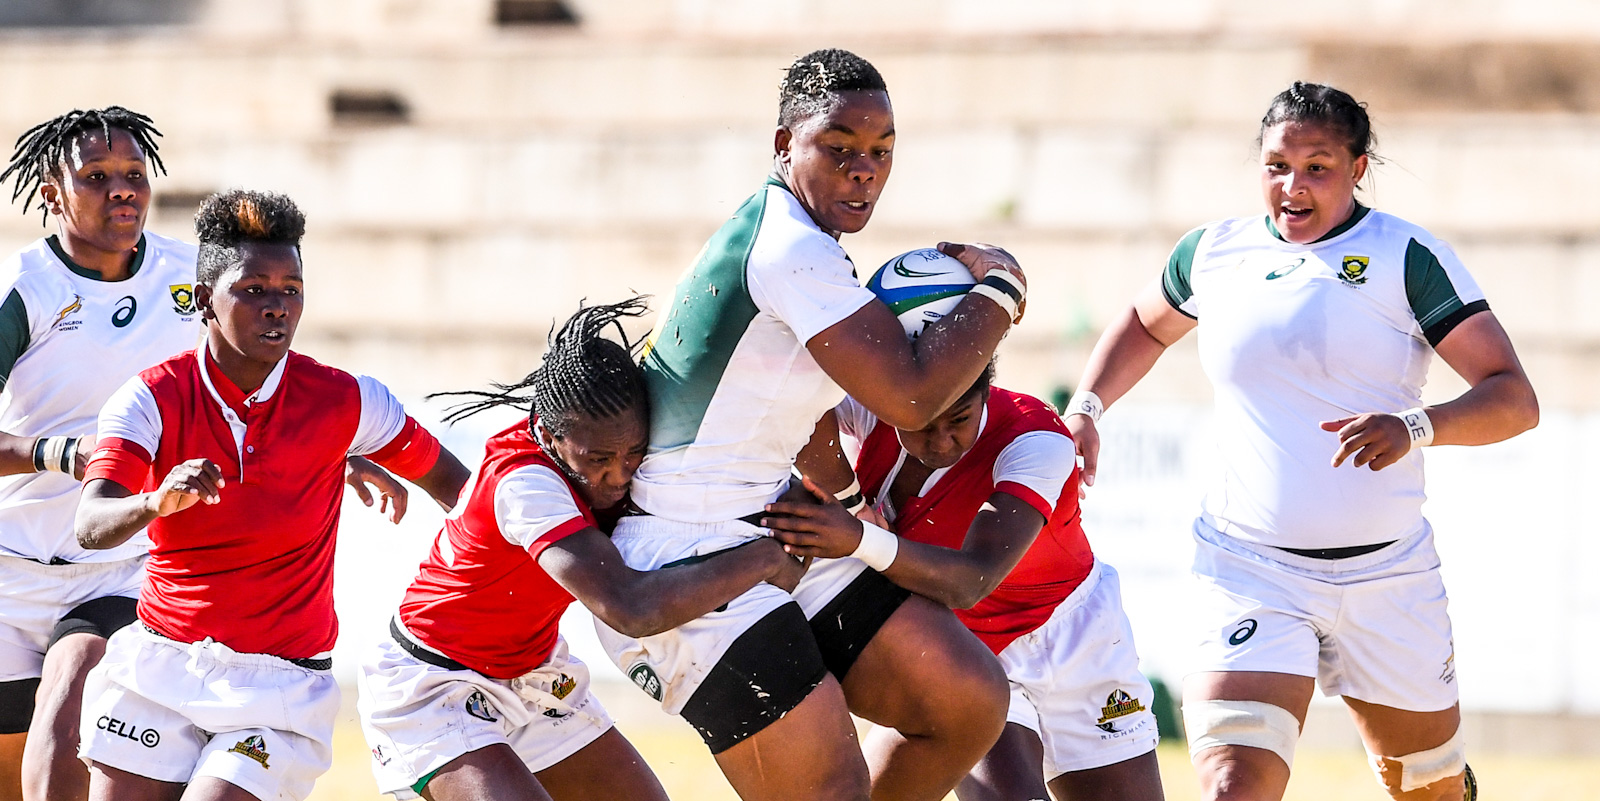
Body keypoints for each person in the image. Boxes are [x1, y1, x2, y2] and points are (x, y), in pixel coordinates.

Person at [1064, 82, 1538, 801]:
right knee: (1233, 783)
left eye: (1318, 167)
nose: (1293, 186)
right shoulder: (1214, 251)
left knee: (1426, 788)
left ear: (1357, 167)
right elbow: (1143, 323)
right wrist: (1088, 407)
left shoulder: (1405, 256)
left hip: (1387, 576)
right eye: (1277, 166)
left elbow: (1514, 398)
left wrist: (1415, 426)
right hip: (1249, 568)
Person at [594, 48, 1030, 801]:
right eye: (839, 148)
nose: (864, 170)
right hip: (684, 552)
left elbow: (808, 409)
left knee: (965, 699)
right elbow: (914, 400)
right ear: (783, 144)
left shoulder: (795, 238)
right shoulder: (791, 250)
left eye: (881, 152)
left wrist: (851, 506)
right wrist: (1004, 285)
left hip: (766, 518)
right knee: (830, 788)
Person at [0, 108, 406, 801]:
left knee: (69, 698)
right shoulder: (25, 289)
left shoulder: (184, 279)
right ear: (51, 194)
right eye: (95, 176)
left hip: (123, 563)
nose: (121, 189)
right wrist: (61, 452)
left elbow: (243, 382)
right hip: (16, 566)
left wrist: (321, 450)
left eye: (134, 174)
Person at [72, 189, 469, 801]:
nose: (277, 306)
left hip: (280, 688)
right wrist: (154, 501)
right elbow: (91, 523)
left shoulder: (348, 401)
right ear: (202, 299)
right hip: (160, 666)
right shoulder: (150, 397)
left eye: (292, 289)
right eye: (254, 289)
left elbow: (463, 492)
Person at [358, 296, 810, 801]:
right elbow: (630, 608)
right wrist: (765, 557)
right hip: (434, 682)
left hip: (533, 676)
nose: (618, 476)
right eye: (598, 460)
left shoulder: (618, 454)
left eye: (633, 453)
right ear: (550, 435)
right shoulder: (526, 485)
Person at [769, 363, 1165, 801]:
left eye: (960, 418)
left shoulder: (1036, 438)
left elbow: (973, 579)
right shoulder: (874, 405)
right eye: (921, 423)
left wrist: (860, 536)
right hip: (965, 647)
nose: (941, 441)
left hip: (1074, 635)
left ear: (985, 393)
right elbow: (797, 402)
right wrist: (851, 502)